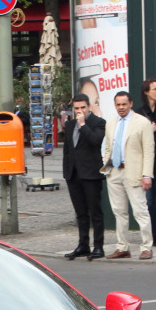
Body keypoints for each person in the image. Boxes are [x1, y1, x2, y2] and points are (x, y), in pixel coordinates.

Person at [100, 91, 154, 259]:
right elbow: (109, 145)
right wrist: (107, 164)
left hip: (134, 172)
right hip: (114, 171)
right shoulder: (111, 123)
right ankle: (122, 247)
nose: (121, 107)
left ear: (130, 103)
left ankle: (146, 247)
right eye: (118, 104)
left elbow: (148, 150)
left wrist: (147, 175)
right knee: (119, 212)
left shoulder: (142, 122)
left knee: (140, 211)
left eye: (124, 104)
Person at [62, 92, 107, 259]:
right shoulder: (70, 124)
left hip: (91, 174)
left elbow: (95, 141)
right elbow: (67, 150)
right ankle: (83, 245)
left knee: (95, 211)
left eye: (82, 107)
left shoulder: (98, 123)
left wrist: (83, 125)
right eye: (76, 108)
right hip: (73, 174)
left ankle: (99, 246)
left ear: (89, 107)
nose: (79, 111)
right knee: (80, 213)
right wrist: (67, 171)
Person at [137, 78, 156, 246]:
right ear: (146, 92)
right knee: (149, 200)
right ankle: (152, 233)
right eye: (155, 89)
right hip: (146, 163)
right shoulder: (140, 113)